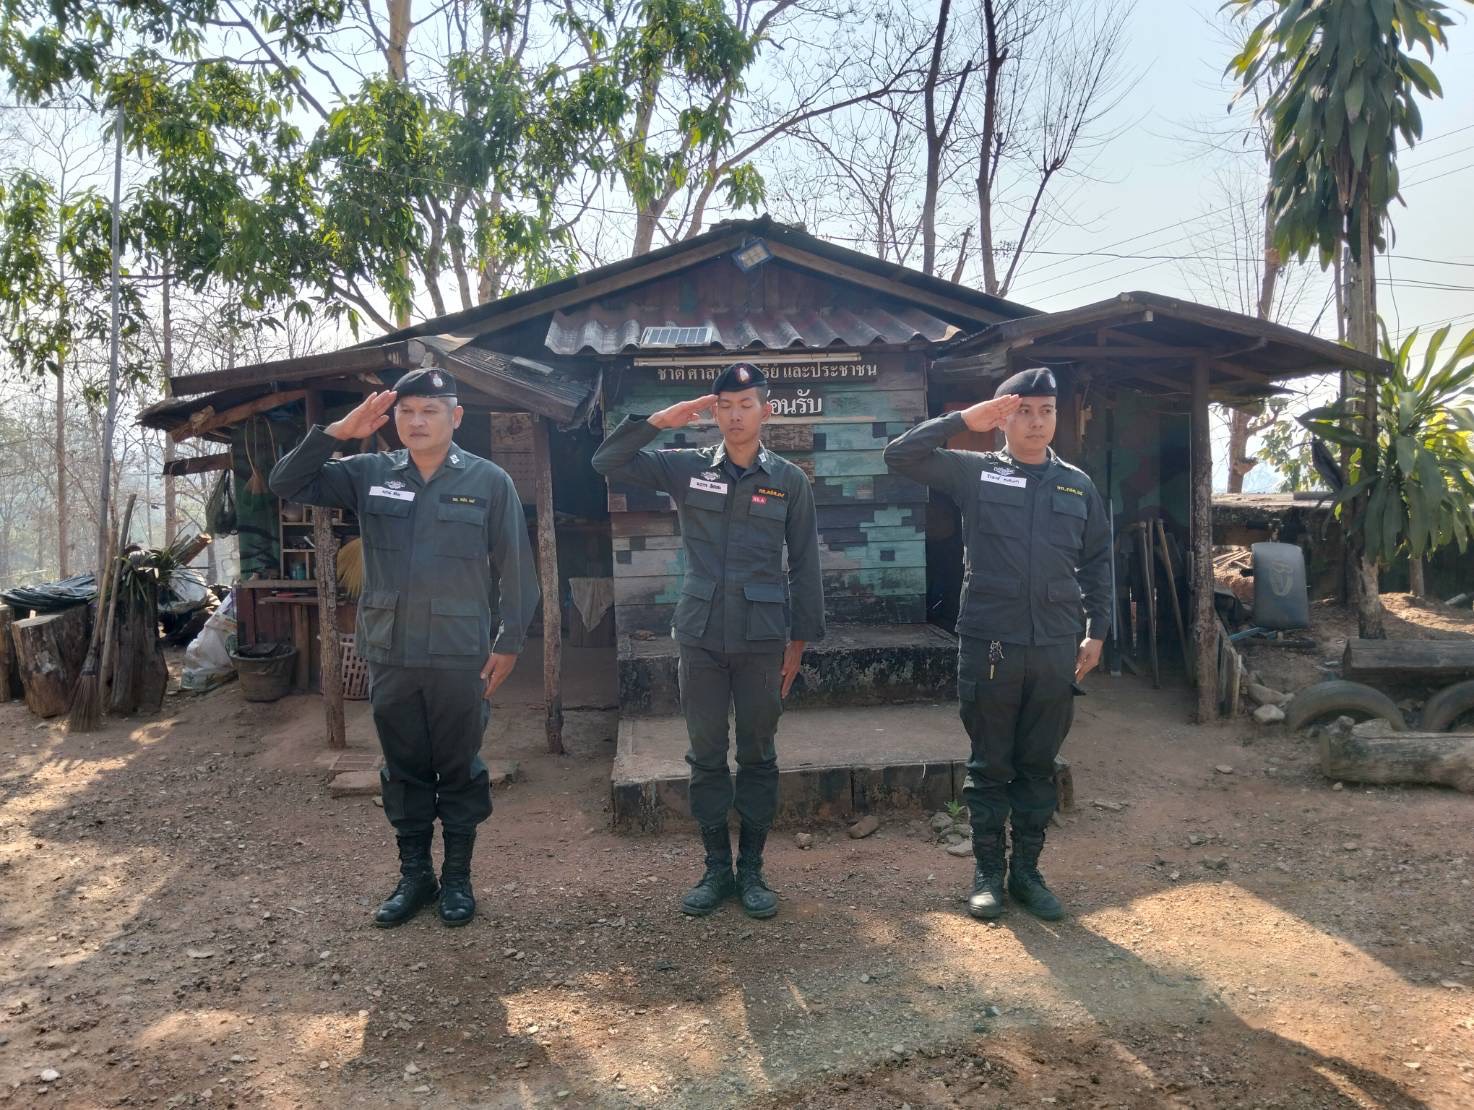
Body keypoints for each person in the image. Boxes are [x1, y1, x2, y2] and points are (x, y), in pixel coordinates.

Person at [269, 367, 539, 928]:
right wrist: (336, 433)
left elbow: (517, 567)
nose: (417, 422)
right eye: (407, 411)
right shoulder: (368, 473)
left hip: (461, 651)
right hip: (390, 649)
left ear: (455, 417)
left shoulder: (489, 481)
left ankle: (458, 878)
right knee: (403, 767)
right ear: (393, 419)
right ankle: (415, 876)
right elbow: (286, 483)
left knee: (459, 766)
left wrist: (510, 641)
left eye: (430, 411)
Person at [592, 361, 824, 919]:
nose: (735, 415)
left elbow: (805, 564)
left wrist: (799, 642)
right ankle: (717, 866)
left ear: (766, 410)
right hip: (699, 634)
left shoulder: (788, 480)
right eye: (725, 405)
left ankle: (753, 869)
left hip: (762, 639)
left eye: (746, 404)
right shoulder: (686, 467)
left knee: (758, 753)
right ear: (714, 412)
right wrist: (658, 421)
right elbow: (607, 461)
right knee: (706, 754)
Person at [884, 368, 1109, 921]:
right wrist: (964, 419)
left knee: (1038, 764)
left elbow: (1098, 562)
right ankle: (987, 873)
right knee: (989, 766)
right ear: (1004, 418)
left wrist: (1097, 631)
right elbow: (900, 456)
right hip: (991, 644)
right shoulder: (976, 471)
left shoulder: (1077, 485)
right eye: (1023, 411)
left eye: (1046, 411)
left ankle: (1027, 873)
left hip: (1055, 645)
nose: (1036, 422)